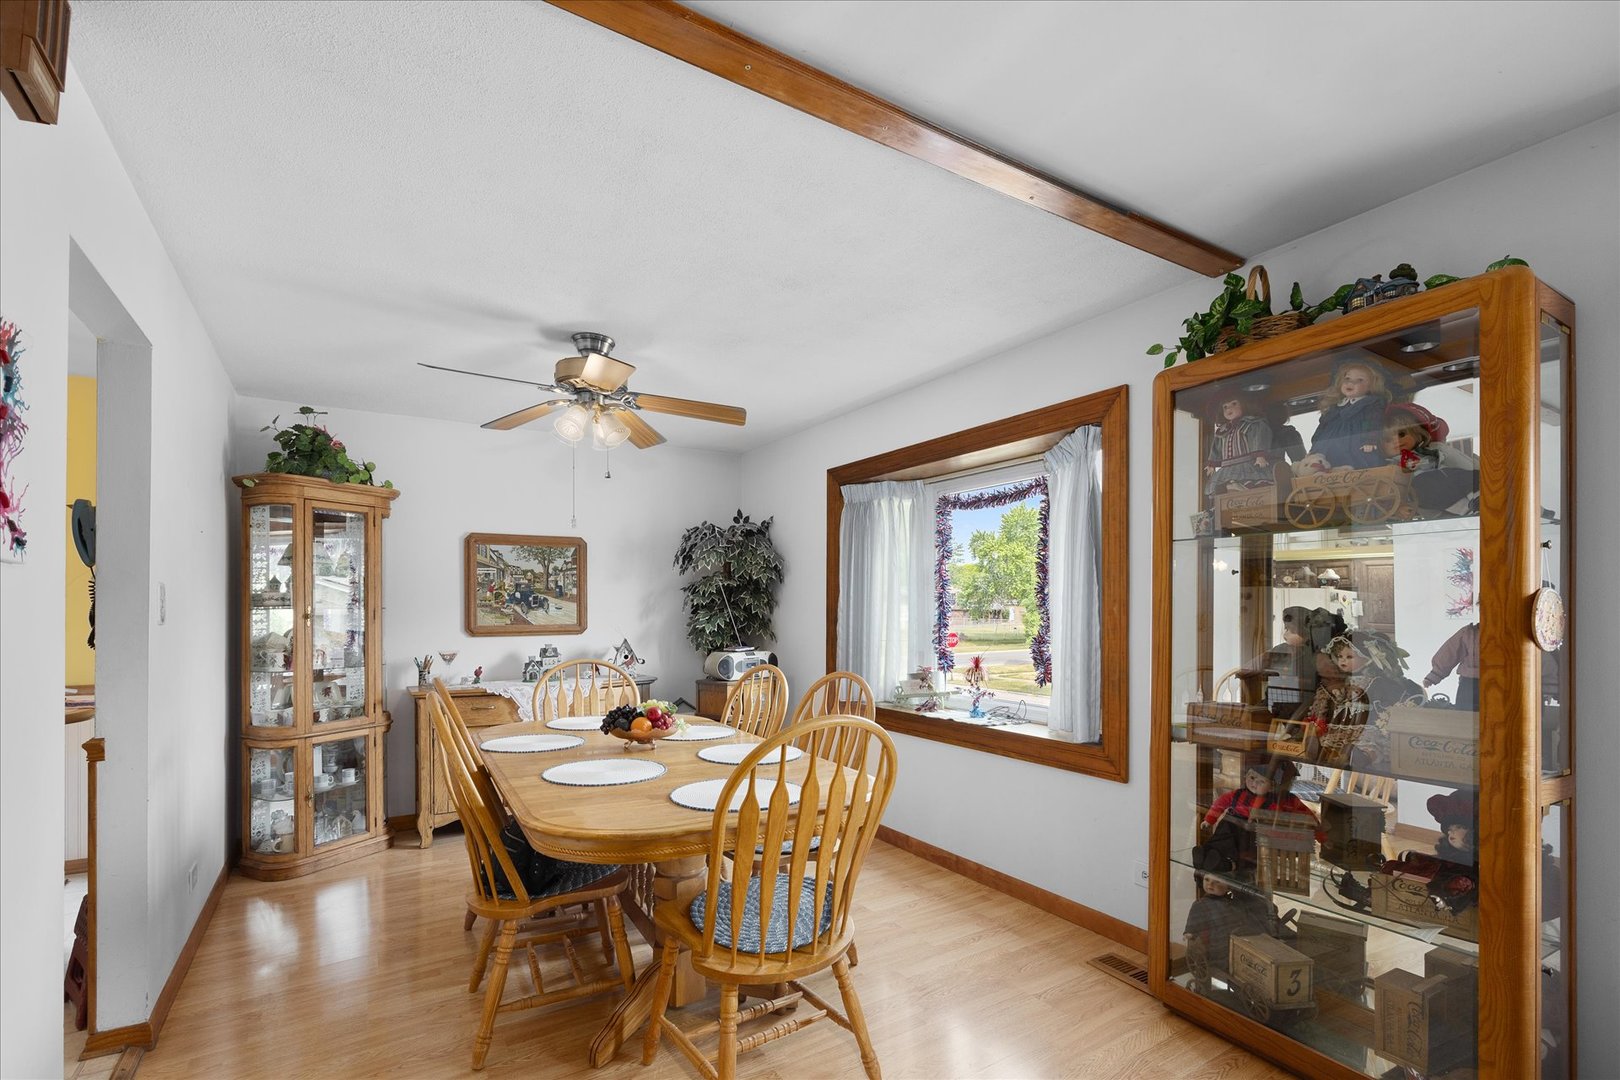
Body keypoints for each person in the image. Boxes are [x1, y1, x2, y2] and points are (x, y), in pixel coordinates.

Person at [1195, 759, 1323, 877]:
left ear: (1273, 786)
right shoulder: (1238, 794)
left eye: (1261, 781)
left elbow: (1286, 820)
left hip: (1252, 834)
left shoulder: (1274, 804)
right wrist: (1209, 819)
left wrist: (1320, 836)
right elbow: (1220, 803)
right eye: (1251, 777)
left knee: (1243, 855)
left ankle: (1226, 864)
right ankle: (1207, 854)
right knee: (1220, 842)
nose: (1253, 783)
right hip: (1231, 825)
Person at [1382, 401, 1478, 513]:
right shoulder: (1391, 464)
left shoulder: (1425, 451)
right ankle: (1465, 509)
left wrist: (1430, 459)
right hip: (1423, 486)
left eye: (1401, 434)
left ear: (1417, 434)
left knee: (1469, 477)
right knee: (1434, 491)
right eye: (1388, 440)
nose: (1396, 441)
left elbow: (1439, 457)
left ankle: (1477, 499)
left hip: (1446, 475)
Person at [1297, 361, 1392, 473]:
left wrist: (1369, 439)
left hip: (1355, 441)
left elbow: (1372, 422)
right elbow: (1323, 427)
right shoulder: (1335, 406)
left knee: (1357, 462)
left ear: (1371, 386)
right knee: (1327, 462)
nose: (1351, 383)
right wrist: (1315, 446)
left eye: (1359, 380)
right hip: (1329, 444)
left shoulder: (1370, 404)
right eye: (1347, 379)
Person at [1204, 396, 1274, 494]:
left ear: (1244, 405)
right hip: (1227, 467)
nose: (1229, 408)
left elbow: (1258, 438)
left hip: (1245, 463)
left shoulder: (1252, 423)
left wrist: (1260, 456)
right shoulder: (1222, 430)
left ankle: (1244, 492)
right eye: (1225, 407)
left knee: (1249, 482)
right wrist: (1212, 464)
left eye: (1234, 404)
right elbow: (1216, 447)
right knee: (1224, 487)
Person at [1424, 622, 1480, 710]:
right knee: (1464, 718)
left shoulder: (1506, 632)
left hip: (1500, 682)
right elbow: (1450, 652)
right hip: (1470, 683)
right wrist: (1434, 675)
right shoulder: (1468, 633)